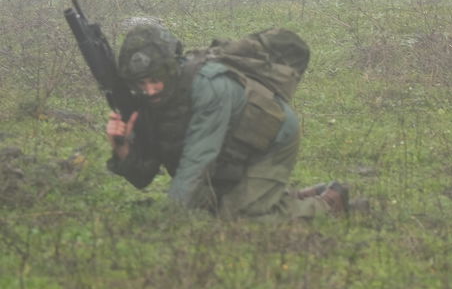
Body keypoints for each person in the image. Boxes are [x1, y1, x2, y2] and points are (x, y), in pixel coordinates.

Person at [103, 21, 347, 218]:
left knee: (240, 217)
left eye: (155, 78)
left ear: (171, 67)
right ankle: (292, 198)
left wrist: (169, 221)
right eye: (141, 83)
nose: (151, 89)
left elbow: (197, 162)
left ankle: (329, 205)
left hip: (272, 138)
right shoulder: (150, 100)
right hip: (233, 147)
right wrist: (125, 151)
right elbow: (143, 177)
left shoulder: (208, 87)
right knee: (207, 206)